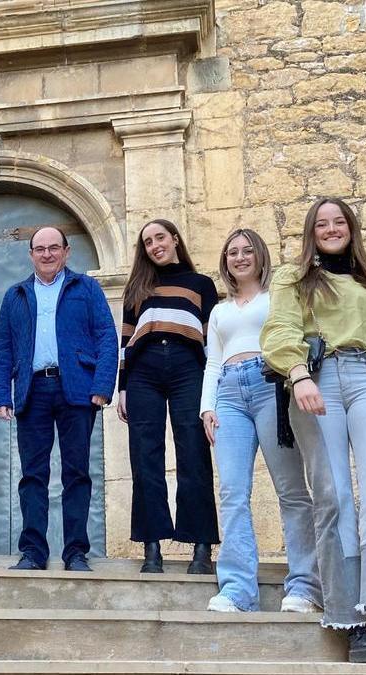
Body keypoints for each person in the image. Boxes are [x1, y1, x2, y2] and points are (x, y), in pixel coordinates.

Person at [260, 198, 366, 664]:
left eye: (340, 222)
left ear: (351, 229)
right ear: (312, 232)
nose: (332, 229)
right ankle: (354, 624)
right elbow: (280, 328)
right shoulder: (293, 277)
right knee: (333, 497)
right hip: (318, 375)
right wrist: (298, 373)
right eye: (322, 223)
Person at [200, 228, 321, 612]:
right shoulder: (219, 311)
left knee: (291, 489)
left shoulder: (277, 299)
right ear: (226, 261)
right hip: (229, 394)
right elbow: (213, 362)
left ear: (260, 255)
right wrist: (208, 406)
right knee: (232, 492)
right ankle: (237, 589)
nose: (239, 257)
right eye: (232, 252)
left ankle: (304, 585)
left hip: (272, 385)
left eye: (247, 250)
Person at [0, 226, 118, 572]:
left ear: (66, 252)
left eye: (54, 248)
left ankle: (76, 552)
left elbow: (107, 336)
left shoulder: (86, 288)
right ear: (30, 254)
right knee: (33, 474)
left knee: (77, 473)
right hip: (33, 391)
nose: (47, 254)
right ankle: (33, 551)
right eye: (40, 249)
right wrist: (1, 393)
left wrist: (103, 385)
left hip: (76, 389)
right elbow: (1, 348)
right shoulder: (16, 295)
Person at [116, 219, 219, 575]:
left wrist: (211, 392)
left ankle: (202, 548)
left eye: (160, 237)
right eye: (148, 242)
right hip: (143, 371)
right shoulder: (137, 287)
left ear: (175, 239)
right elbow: (126, 341)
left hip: (188, 368)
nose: (155, 245)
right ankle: (152, 547)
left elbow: (211, 342)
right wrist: (123, 387)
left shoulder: (201, 285)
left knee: (193, 452)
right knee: (145, 456)